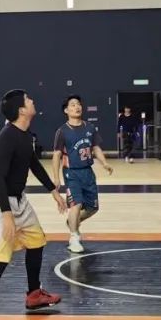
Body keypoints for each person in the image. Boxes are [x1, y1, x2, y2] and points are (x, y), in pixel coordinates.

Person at [0, 90, 68, 320]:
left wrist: (52, 190)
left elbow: (33, 163)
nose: (33, 100)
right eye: (28, 99)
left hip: (19, 199)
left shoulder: (25, 134)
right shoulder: (7, 136)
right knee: (0, 257)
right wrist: (6, 214)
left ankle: (34, 294)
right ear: (22, 110)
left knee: (36, 241)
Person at [51, 95, 113, 254]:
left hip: (88, 172)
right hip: (71, 173)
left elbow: (96, 148)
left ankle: (72, 221)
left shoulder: (90, 127)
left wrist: (104, 163)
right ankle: (74, 237)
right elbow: (57, 155)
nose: (77, 107)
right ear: (66, 110)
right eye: (72, 105)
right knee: (76, 204)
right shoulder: (62, 131)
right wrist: (56, 177)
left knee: (93, 208)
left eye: (78, 104)